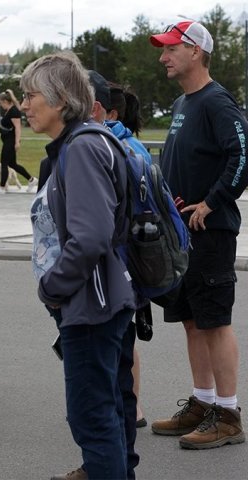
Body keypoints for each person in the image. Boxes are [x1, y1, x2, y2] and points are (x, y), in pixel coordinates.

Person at [24, 51, 136, 480]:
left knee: (91, 416)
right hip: (95, 300)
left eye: (32, 94)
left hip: (91, 305)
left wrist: (52, 287)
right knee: (107, 407)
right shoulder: (78, 143)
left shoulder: (83, 148)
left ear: (60, 99)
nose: (25, 104)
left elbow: (90, 237)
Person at [149, 20, 248, 449]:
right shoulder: (181, 103)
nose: (163, 56)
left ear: (195, 52)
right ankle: (202, 401)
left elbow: (243, 154)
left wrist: (212, 202)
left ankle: (227, 414)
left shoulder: (217, 102)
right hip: (182, 233)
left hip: (210, 231)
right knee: (191, 320)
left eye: (171, 48)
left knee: (214, 321)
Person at [86, 70, 140, 478]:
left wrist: (55, 284)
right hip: (120, 281)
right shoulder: (121, 142)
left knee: (105, 390)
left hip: (108, 284)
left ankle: (117, 468)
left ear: (96, 108)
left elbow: (94, 233)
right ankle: (113, 465)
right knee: (112, 384)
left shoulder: (102, 148)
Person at [105, 81, 152, 429]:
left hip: (123, 257)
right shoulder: (132, 145)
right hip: (134, 255)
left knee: (122, 336)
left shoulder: (120, 148)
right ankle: (130, 405)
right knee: (125, 334)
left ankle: (130, 406)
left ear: (110, 113)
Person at [0, 89, 38, 194]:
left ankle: (2, 187)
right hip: (7, 140)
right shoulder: (10, 109)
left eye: (0, 102)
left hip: (11, 141)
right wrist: (12, 94)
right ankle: (32, 180)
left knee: (4, 163)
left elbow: (18, 127)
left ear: (5, 101)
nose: (0, 105)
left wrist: (17, 142)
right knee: (12, 164)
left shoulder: (13, 111)